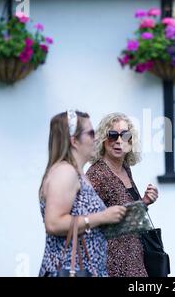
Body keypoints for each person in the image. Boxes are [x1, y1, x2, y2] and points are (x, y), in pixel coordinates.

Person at [38, 110, 126, 277]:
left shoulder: (77, 174)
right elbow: (54, 223)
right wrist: (102, 217)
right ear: (74, 141)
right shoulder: (65, 172)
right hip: (70, 271)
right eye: (91, 133)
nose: (97, 138)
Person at [86, 112, 159, 277]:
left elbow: (125, 212)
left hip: (134, 258)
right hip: (111, 265)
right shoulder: (97, 174)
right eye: (113, 135)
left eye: (125, 135)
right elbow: (88, 223)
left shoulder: (125, 168)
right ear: (103, 140)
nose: (119, 141)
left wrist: (144, 202)